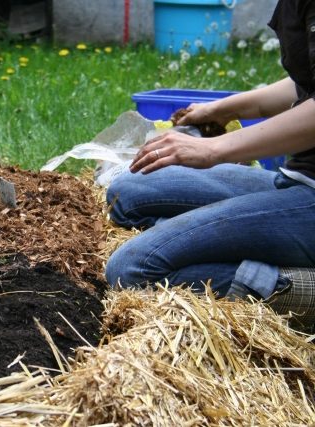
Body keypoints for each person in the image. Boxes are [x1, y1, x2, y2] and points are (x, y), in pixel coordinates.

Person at [104, 0, 315, 329]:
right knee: (126, 193)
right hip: (299, 179)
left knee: (132, 269)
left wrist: (214, 148)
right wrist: (222, 109)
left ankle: (296, 287)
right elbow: (305, 81)